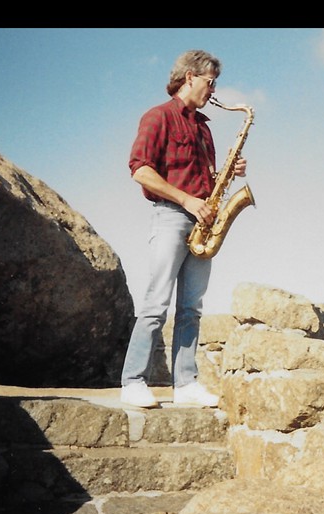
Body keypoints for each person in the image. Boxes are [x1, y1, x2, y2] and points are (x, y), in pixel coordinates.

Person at [120, 49, 247, 409]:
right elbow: (140, 170)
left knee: (191, 308)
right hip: (171, 216)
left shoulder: (204, 127)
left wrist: (227, 173)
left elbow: (202, 179)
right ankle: (133, 381)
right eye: (210, 82)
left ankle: (186, 384)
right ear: (190, 77)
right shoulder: (158, 116)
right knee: (156, 303)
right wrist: (187, 200)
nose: (214, 90)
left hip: (202, 222)